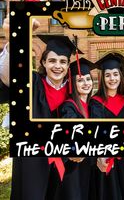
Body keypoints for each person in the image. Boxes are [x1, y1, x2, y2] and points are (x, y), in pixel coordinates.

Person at [11, 34, 82, 200]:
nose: (57, 66)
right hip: (33, 160)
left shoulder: (74, 92)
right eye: (52, 61)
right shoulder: (34, 83)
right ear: (43, 62)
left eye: (63, 61)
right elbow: (12, 75)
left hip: (65, 162)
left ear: (68, 65)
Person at [89, 52, 124, 200]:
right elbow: (96, 131)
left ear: (121, 76)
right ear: (102, 78)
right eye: (107, 75)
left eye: (115, 74)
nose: (112, 78)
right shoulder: (96, 102)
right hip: (106, 157)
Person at [55, 58, 96, 200]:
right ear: (73, 83)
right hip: (73, 168)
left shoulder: (91, 106)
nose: (86, 83)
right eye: (80, 80)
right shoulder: (69, 106)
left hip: (88, 167)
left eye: (88, 79)